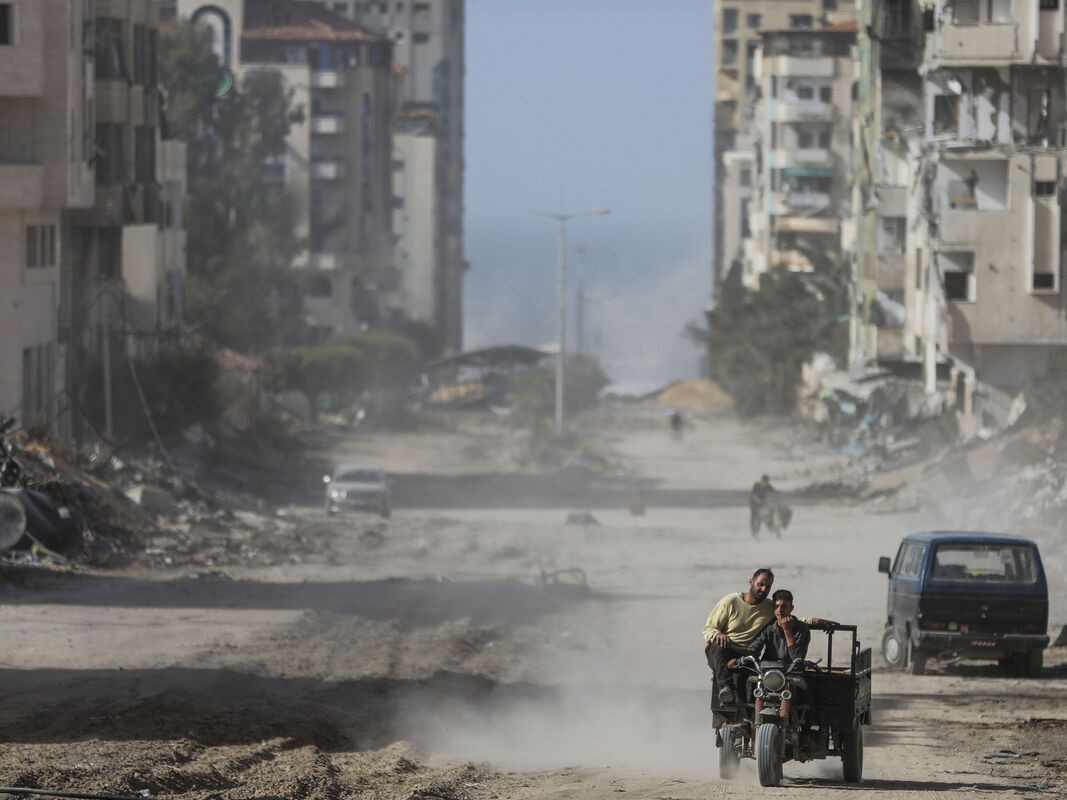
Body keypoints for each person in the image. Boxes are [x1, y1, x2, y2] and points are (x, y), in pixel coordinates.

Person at [703, 569, 832, 707]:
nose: (763, 589)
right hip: (727, 652)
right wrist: (718, 634)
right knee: (717, 646)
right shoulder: (731, 601)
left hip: (762, 660)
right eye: (761, 584)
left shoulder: (772, 609)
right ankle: (726, 691)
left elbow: (786, 619)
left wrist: (813, 621)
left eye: (768, 586)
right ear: (751, 582)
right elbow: (708, 629)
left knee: (806, 695)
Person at [733, 589, 810, 667]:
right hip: (768, 670)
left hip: (791, 672)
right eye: (777, 606)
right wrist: (739, 661)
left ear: (791, 608)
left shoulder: (802, 629)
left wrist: (787, 630)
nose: (779, 610)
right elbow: (754, 649)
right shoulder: (769, 627)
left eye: (784, 606)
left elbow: (797, 660)